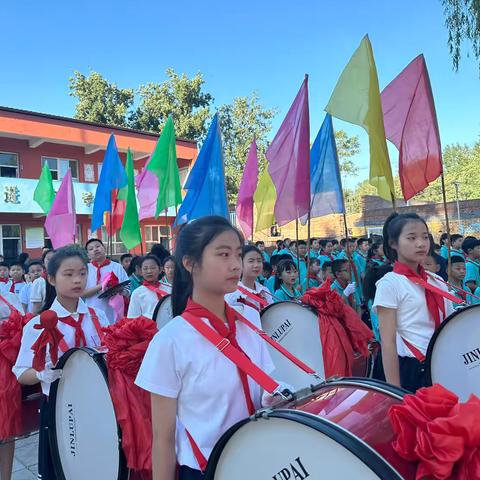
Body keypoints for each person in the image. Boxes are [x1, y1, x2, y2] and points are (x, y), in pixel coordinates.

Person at [135, 216, 277, 480]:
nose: (236, 264)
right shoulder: (170, 341)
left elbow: (265, 387)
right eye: (223, 254)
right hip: (206, 470)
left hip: (259, 462)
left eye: (238, 254)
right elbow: (163, 439)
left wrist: (273, 397)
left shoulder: (249, 322)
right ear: (189, 263)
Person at [13, 246, 109, 479]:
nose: (77, 280)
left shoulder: (98, 317)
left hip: (100, 407)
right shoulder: (36, 325)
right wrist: (40, 374)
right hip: (60, 408)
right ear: (51, 278)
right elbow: (20, 372)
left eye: (83, 273)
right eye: (68, 274)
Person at [373, 213, 454, 392]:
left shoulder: (436, 281)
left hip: (444, 364)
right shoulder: (390, 284)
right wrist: (395, 391)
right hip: (414, 368)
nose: (421, 243)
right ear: (393, 243)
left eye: (425, 237)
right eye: (412, 238)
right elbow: (388, 343)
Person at [83, 238, 129, 324]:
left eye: (98, 246)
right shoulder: (85, 269)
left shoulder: (117, 267)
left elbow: (127, 287)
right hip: (91, 311)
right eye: (91, 249)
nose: (95, 249)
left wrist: (120, 291)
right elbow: (82, 293)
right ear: (88, 255)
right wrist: (103, 285)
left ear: (104, 248)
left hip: (113, 311)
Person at [226, 245, 273, 311]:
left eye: (259, 261)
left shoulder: (265, 292)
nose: (256, 265)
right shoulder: (232, 293)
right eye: (251, 261)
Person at [128, 255, 169, 319]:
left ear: (160, 269)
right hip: (149, 328)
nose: (149, 271)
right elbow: (133, 318)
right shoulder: (137, 293)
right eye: (145, 268)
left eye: (153, 268)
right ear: (140, 271)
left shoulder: (170, 289)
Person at [30, 249, 55, 315]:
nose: (52, 261)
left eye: (55, 258)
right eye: (49, 259)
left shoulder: (64, 280)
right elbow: (36, 308)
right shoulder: (39, 282)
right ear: (43, 263)